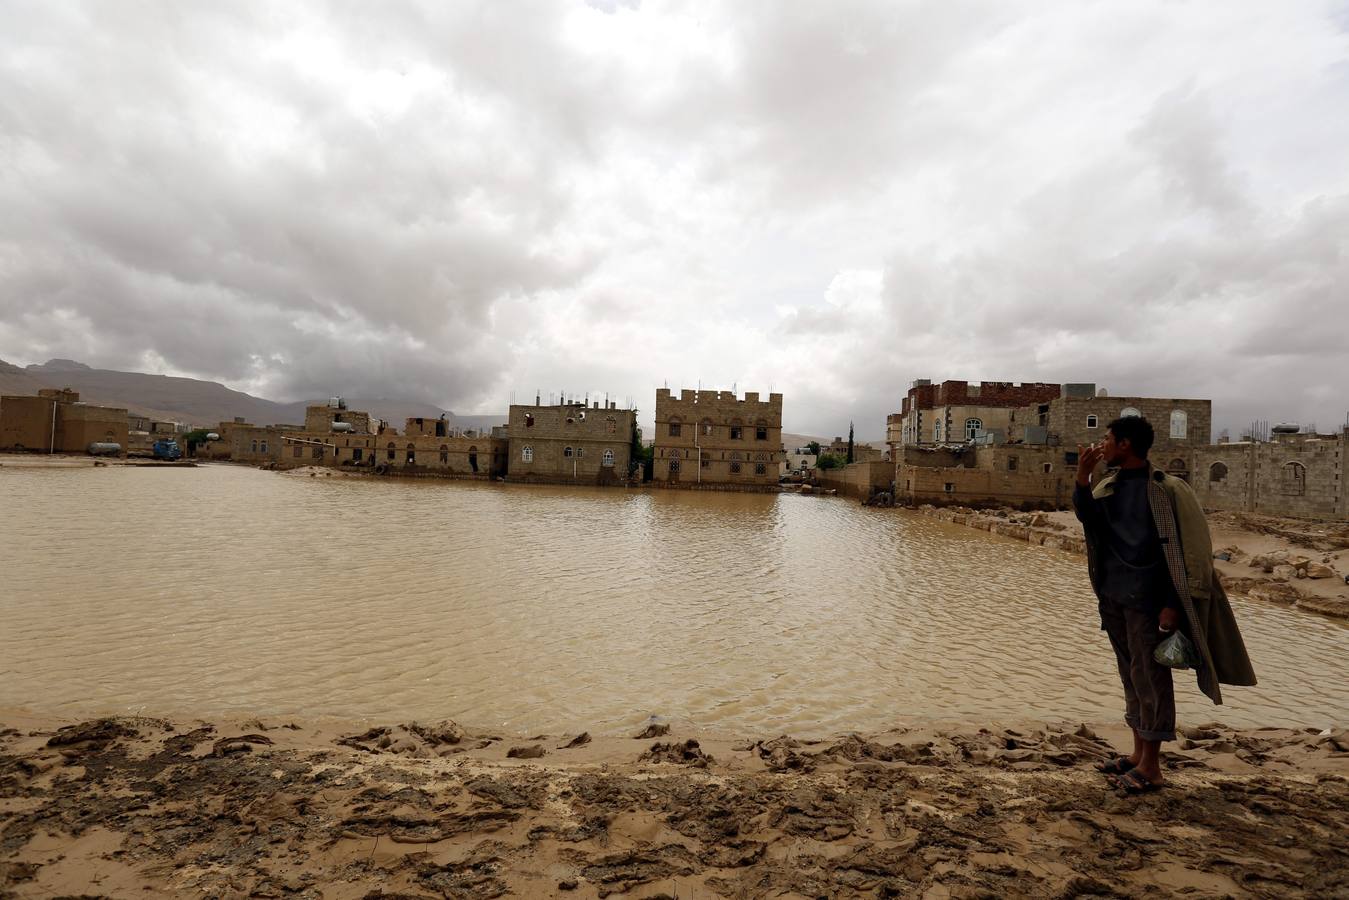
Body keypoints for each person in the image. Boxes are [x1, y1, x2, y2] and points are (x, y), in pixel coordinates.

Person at [1074, 415, 1256, 794]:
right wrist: (1082, 479)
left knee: (1152, 678)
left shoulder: (1169, 490)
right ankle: (1138, 754)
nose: (1102, 445)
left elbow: (1193, 552)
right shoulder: (1109, 486)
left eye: (1107, 439)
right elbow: (1090, 520)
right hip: (1114, 596)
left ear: (1125, 444)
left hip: (1149, 600)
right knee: (1132, 674)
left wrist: (1173, 604)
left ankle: (1152, 767)